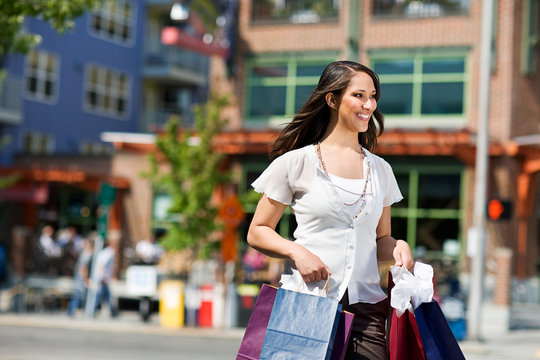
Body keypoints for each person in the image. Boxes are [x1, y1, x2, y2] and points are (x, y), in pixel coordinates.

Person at [247, 60, 415, 359]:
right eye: (359, 95)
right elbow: (258, 231)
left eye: (373, 96)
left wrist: (398, 247)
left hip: (366, 307)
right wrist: (298, 253)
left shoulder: (381, 170)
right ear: (332, 99)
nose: (369, 104)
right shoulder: (296, 163)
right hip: (308, 300)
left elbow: (381, 240)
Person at [67, 236, 93, 317]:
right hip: (81, 278)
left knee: (79, 294)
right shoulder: (85, 253)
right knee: (78, 294)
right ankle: (71, 311)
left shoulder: (85, 253)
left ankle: (73, 311)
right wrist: (85, 278)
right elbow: (82, 267)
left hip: (81, 277)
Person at [93, 238, 118, 317]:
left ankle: (113, 312)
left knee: (105, 295)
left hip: (103, 278)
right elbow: (102, 265)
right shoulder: (109, 253)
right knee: (100, 295)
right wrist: (102, 277)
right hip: (102, 278)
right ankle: (93, 309)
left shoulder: (107, 252)